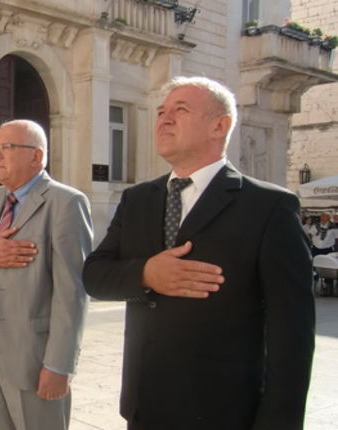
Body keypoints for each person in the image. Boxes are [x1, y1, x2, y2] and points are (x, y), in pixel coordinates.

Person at [82, 76, 315, 430]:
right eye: (161, 111)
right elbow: (95, 276)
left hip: (225, 412)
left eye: (181, 109)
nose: (164, 118)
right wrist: (146, 274)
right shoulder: (137, 199)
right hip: (145, 407)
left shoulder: (269, 206)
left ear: (219, 126)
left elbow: (292, 333)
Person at [0, 120, 93, 430]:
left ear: (37, 156)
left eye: (7, 148)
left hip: (35, 355)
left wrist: (59, 365)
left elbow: (73, 292)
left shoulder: (66, 203)